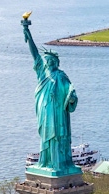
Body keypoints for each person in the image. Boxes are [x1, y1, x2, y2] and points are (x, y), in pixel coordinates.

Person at [23, 17, 78, 172]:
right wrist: (28, 32)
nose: (48, 63)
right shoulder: (42, 72)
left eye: (51, 61)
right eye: (47, 60)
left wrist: (72, 97)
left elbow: (69, 90)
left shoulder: (61, 76)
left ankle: (58, 163)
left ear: (56, 62)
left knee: (58, 137)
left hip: (58, 112)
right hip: (44, 111)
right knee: (46, 135)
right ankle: (46, 162)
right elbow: (34, 54)